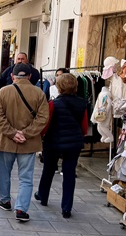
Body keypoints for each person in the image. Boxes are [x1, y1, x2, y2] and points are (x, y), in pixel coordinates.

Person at [0, 63, 49, 222]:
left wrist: (12, 133)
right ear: (30, 77)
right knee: (26, 177)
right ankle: (21, 209)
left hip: (6, 141)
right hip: (28, 143)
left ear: (12, 76)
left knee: (4, 173)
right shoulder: (38, 93)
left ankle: (5, 200)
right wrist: (26, 133)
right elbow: (43, 118)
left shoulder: (3, 92)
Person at [36, 73, 87, 218]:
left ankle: (43, 196)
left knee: (49, 169)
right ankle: (66, 207)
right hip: (74, 142)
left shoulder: (53, 104)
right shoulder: (82, 103)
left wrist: (41, 137)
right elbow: (84, 127)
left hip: (54, 141)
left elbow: (46, 124)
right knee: (69, 173)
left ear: (58, 87)